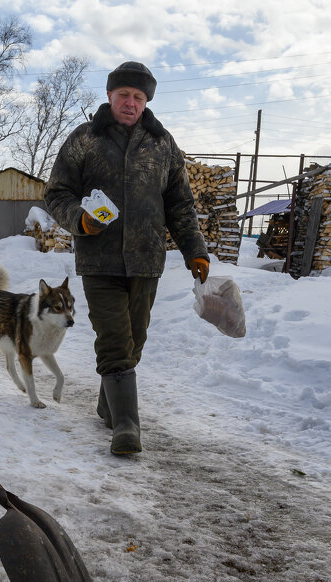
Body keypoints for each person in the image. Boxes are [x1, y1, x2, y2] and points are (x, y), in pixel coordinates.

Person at [44, 61, 211, 455]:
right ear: (109, 96)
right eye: (124, 95)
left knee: (134, 341)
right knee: (115, 340)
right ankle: (126, 426)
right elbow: (55, 193)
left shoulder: (162, 143)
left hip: (146, 260)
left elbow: (181, 205)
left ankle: (109, 404)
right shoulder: (85, 139)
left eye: (138, 97)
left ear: (147, 100)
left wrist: (196, 251)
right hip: (99, 262)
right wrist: (79, 221)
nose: (131, 103)